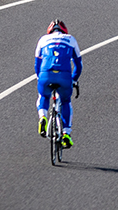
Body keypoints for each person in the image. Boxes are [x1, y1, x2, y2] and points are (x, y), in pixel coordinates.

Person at [35, 19, 82, 148]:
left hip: (46, 74)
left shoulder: (43, 39)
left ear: (49, 31)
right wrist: (74, 80)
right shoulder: (71, 39)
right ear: (64, 31)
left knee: (43, 96)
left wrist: (40, 78)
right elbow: (78, 65)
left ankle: (42, 117)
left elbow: (37, 65)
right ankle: (66, 133)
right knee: (66, 102)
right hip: (65, 76)